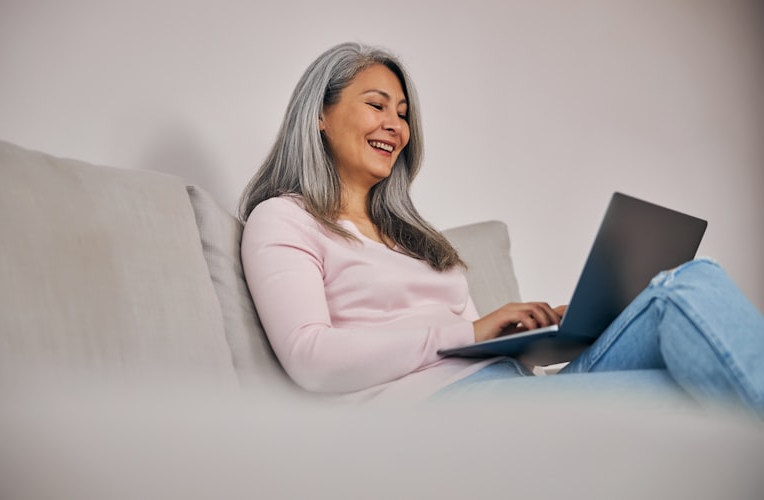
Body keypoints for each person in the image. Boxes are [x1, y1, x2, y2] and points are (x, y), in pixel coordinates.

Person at [239, 42, 764, 413]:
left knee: (686, 282)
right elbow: (312, 359)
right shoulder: (285, 220)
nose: (395, 125)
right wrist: (467, 333)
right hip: (438, 411)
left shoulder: (414, 241)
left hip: (516, 391)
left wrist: (545, 336)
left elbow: (477, 347)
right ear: (319, 116)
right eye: (376, 105)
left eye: (402, 113)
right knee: (693, 391)